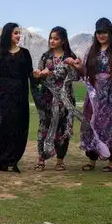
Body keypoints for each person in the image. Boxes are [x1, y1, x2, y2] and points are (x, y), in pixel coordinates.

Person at [71, 17, 112, 172]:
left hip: (111, 95)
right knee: (92, 125)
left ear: (110, 32)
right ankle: (92, 160)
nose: (101, 36)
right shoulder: (91, 50)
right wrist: (79, 67)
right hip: (94, 95)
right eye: (98, 32)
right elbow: (85, 74)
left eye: (104, 32)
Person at [0, 23, 33, 173]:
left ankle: (13, 160)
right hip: (1, 95)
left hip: (19, 96)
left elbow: (31, 75)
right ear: (8, 35)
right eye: (15, 33)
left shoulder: (25, 53)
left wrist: (39, 75)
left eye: (19, 33)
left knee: (17, 126)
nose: (18, 36)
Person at [31, 26, 80, 171]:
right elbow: (38, 78)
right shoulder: (45, 57)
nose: (52, 41)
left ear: (63, 40)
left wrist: (74, 66)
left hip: (65, 100)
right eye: (51, 38)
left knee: (63, 129)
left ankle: (60, 160)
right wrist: (38, 75)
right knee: (44, 128)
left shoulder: (69, 57)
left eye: (56, 38)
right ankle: (41, 159)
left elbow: (76, 77)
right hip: (47, 99)